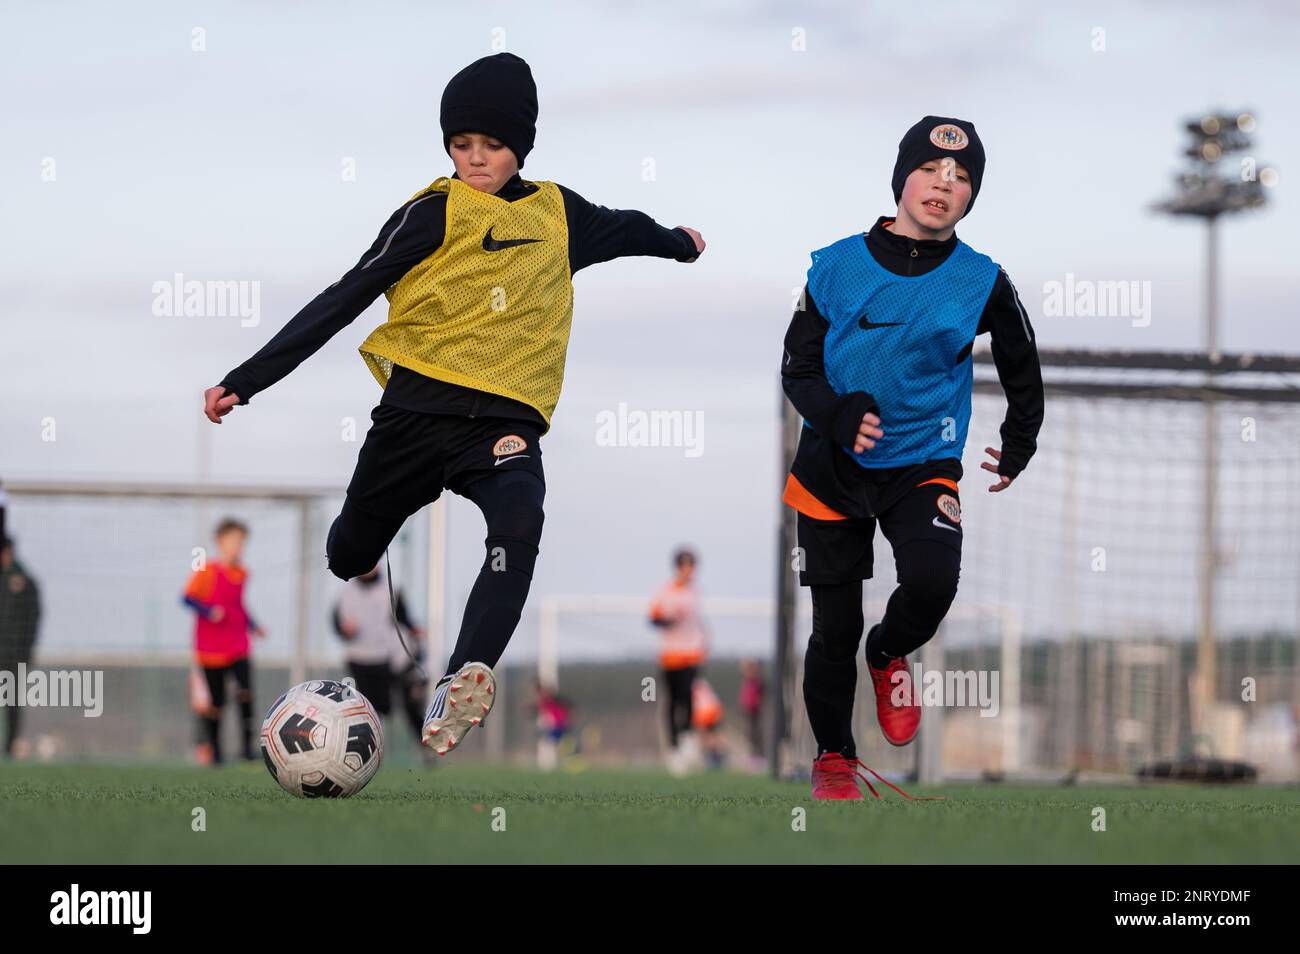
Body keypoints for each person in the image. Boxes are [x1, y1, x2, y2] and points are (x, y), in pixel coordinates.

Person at [203, 53, 705, 759]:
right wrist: (248, 378)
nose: (473, 159)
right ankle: (362, 543)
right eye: (460, 145)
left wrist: (678, 244)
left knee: (519, 525)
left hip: (503, 425)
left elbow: (627, 229)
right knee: (348, 555)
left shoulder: (559, 214)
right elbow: (345, 295)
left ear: (521, 146)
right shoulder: (431, 211)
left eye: (491, 146)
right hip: (414, 420)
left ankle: (460, 676)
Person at [780, 116, 1044, 800]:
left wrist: (1020, 439)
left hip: (923, 460)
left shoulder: (981, 279)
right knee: (832, 627)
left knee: (932, 582)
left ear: (971, 197)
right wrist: (838, 415)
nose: (944, 185)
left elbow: (1021, 361)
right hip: (830, 467)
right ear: (903, 177)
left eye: (961, 179)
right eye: (931, 170)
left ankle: (890, 651)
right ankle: (835, 756)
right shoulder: (834, 266)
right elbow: (797, 367)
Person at [182, 518, 265, 764]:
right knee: (217, 701)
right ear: (220, 542)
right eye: (233, 541)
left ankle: (247, 748)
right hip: (211, 648)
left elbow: (238, 606)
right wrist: (209, 612)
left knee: (246, 692)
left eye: (241, 542)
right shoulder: (206, 571)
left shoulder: (242, 573)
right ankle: (215, 750)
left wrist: (253, 625)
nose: (238, 547)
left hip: (238, 644)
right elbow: (187, 598)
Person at [331, 562, 427, 749]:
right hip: (357, 660)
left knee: (408, 704)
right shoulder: (345, 593)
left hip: (387, 659)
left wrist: (415, 631)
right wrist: (344, 630)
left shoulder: (391, 590)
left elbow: (404, 619)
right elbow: (336, 623)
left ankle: (426, 745)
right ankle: (363, 749)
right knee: (362, 709)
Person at [648, 547, 708, 774]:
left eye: (691, 566)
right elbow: (653, 619)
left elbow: (698, 623)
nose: (689, 571)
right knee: (672, 702)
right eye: (685, 565)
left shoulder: (696, 592)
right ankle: (673, 749)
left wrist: (704, 645)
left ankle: (687, 738)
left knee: (688, 697)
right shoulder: (664, 592)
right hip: (670, 655)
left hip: (691, 654)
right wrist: (668, 621)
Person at [0, 531, 42, 760]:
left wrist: (25, 652)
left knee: (12, 701)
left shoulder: (25, 581)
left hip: (14, 654)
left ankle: (9, 747)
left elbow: (33, 619)